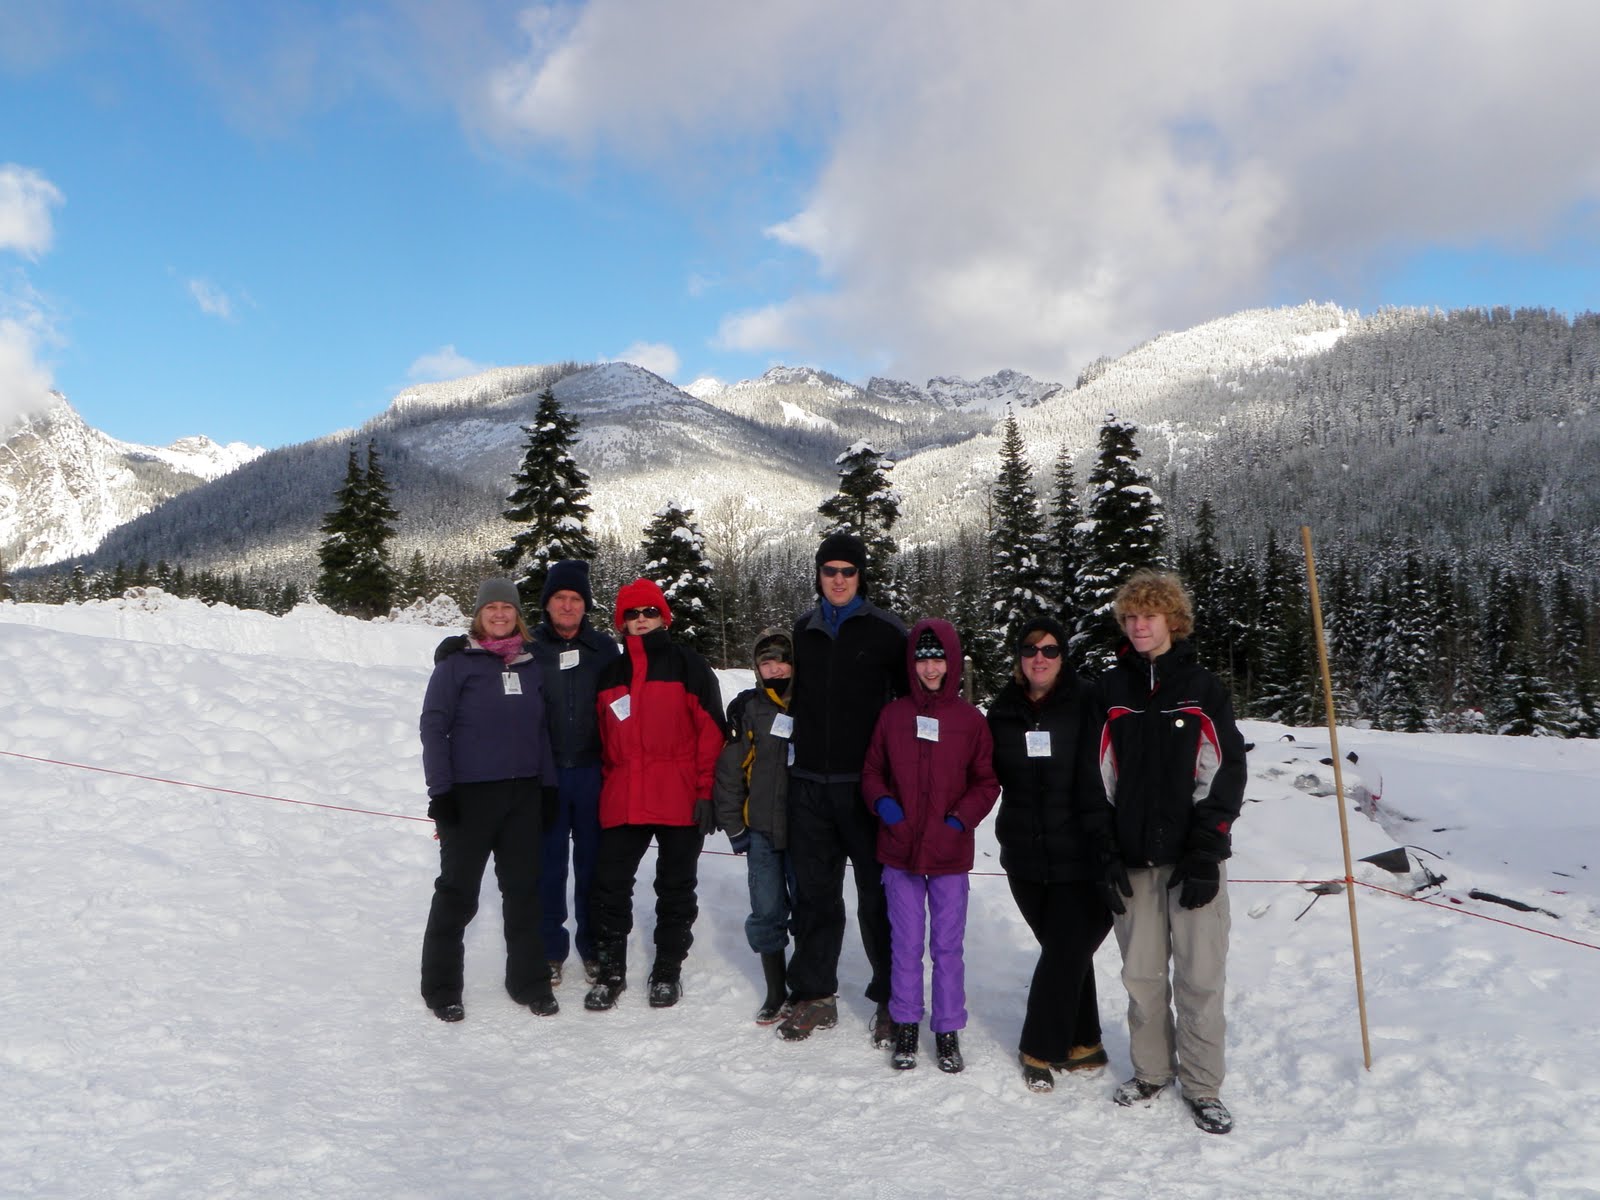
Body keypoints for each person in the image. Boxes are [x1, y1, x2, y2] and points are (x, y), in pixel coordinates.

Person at [1081, 568, 1248, 1135]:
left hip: (1192, 861)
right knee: (1142, 975)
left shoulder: (1202, 688)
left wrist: (1207, 850)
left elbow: (1222, 773)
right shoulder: (1110, 692)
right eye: (1129, 617)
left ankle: (1202, 1086)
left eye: (1148, 616)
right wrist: (1105, 852)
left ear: (1172, 620)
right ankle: (1152, 1070)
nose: (1138, 626)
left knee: (1200, 978)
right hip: (1133, 861)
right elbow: (1095, 778)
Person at [778, 532, 908, 1045]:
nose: (837, 579)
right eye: (829, 570)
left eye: (847, 572)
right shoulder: (800, 631)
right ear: (818, 574)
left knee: (878, 896)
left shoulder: (886, 633)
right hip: (809, 782)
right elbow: (779, 692)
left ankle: (892, 998)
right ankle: (814, 993)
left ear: (860, 577)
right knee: (814, 896)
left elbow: (907, 706)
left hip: (866, 787)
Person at [419, 579, 560, 1022]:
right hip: (469, 796)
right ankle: (442, 988)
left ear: (518, 615)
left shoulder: (531, 666)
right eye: (490, 608)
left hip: (523, 795)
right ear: (478, 615)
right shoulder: (456, 665)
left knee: (523, 892)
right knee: (458, 894)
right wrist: (441, 793)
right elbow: (433, 729)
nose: (499, 615)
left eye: (507, 608)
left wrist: (549, 787)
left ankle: (529, 981)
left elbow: (542, 733)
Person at [861, 619, 999, 1073]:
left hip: (948, 852)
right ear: (911, 663)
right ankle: (904, 1022)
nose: (930, 666)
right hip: (899, 849)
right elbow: (872, 773)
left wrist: (958, 821)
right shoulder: (892, 715)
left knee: (946, 946)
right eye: (922, 658)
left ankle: (946, 1027)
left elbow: (985, 781)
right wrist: (887, 809)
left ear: (952, 661)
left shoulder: (969, 720)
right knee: (904, 943)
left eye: (938, 657)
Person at [584, 578, 727, 1012]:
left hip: (680, 794)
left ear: (663, 616)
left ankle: (667, 968)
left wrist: (706, 792)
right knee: (609, 886)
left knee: (676, 887)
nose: (641, 620)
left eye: (649, 612)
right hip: (625, 794)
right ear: (621, 622)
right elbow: (602, 742)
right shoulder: (610, 674)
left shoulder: (690, 666)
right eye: (632, 614)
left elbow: (712, 734)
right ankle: (611, 971)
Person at [987, 617, 1112, 1094]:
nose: (1040, 657)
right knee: (1066, 951)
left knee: (1066, 949)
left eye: (1051, 649)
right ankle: (1085, 1042)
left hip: (1081, 853)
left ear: (1065, 656)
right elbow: (980, 772)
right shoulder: (1001, 711)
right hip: (1023, 856)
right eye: (1030, 648)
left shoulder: (1087, 703)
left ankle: (1039, 1044)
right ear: (1019, 656)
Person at [530, 560, 620, 988]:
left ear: (586, 606)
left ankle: (594, 946)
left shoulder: (604, 649)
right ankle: (550, 950)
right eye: (560, 598)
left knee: (593, 866)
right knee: (549, 866)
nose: (567, 606)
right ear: (547, 604)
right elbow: (485, 650)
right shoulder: (527, 646)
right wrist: (453, 648)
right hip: (546, 773)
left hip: (592, 772)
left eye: (576, 599)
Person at [712, 628, 798, 1024]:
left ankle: (807, 986)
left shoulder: (810, 704)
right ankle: (775, 988)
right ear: (757, 669)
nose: (775, 667)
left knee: (810, 909)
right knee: (766, 909)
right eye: (766, 662)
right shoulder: (750, 710)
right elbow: (730, 772)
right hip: (762, 830)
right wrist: (734, 826)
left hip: (804, 831)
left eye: (781, 659)